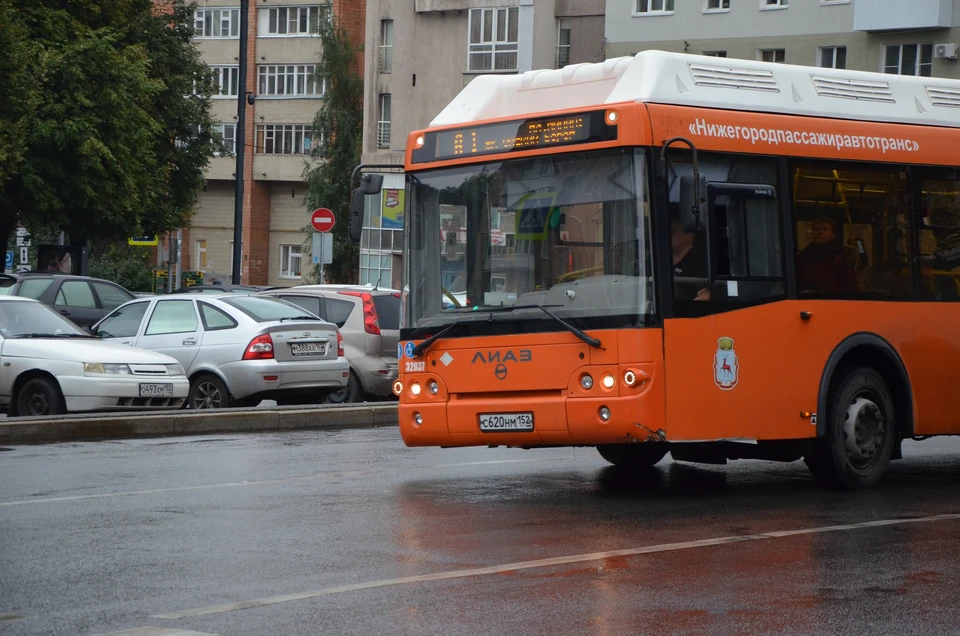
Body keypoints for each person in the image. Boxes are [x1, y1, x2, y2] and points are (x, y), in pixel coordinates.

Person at [796, 217, 858, 295]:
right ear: (812, 233)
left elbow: (851, 286)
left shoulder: (839, 257)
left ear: (833, 235)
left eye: (825, 229)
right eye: (817, 229)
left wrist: (828, 293)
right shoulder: (804, 255)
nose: (820, 232)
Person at [671, 219, 711, 301]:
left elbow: (705, 295)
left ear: (689, 236)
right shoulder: (658, 259)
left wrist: (683, 310)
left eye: (673, 231)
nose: (669, 235)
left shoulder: (698, 263)